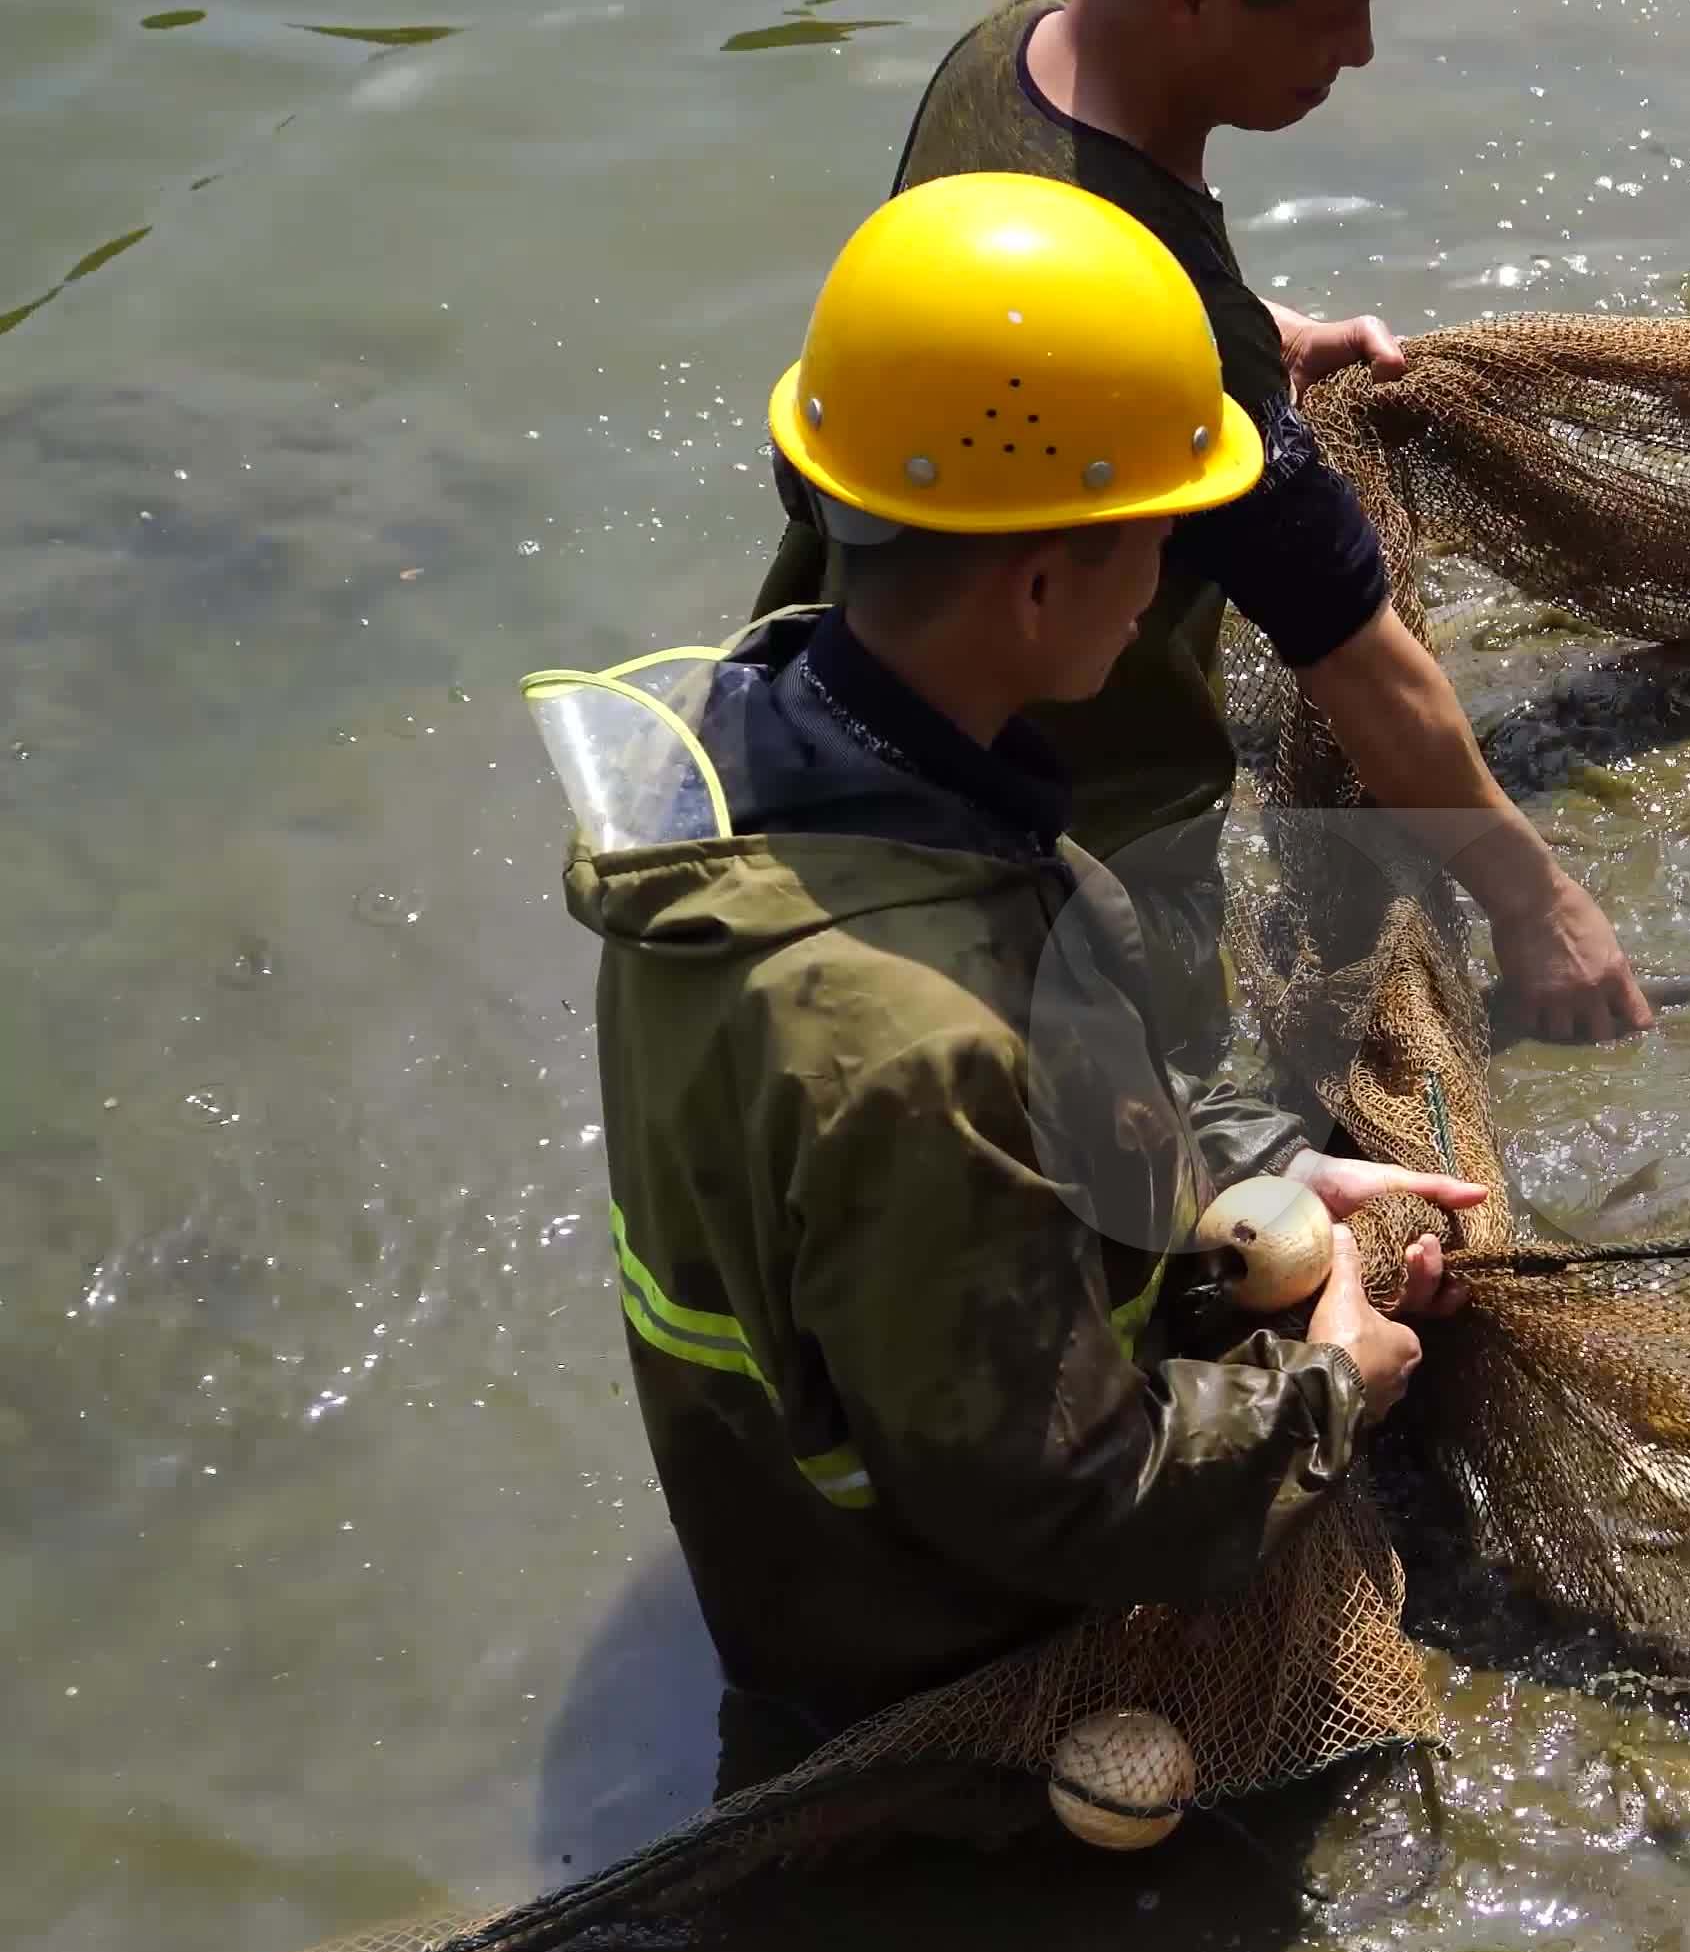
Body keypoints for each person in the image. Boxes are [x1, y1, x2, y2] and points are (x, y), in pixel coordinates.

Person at [570, 174, 1487, 1729]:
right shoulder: (909, 1036)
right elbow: (1057, 1499)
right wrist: (1329, 1392)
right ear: (1045, 579)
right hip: (930, 1645)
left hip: (871, 1479)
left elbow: (1015, 1123)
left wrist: (1245, 1164)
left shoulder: (781, 769)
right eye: (1159, 545)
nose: (1167, 590)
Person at [749, 0, 1654, 1054]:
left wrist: (1244, 330)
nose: (1362, 50)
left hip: (847, 681)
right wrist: (1536, 903)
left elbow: (1018, 317)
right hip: (1072, 839)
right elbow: (1356, 658)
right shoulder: (1155, 273)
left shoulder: (1006, 54)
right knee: (1150, 1138)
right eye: (1338, 13)